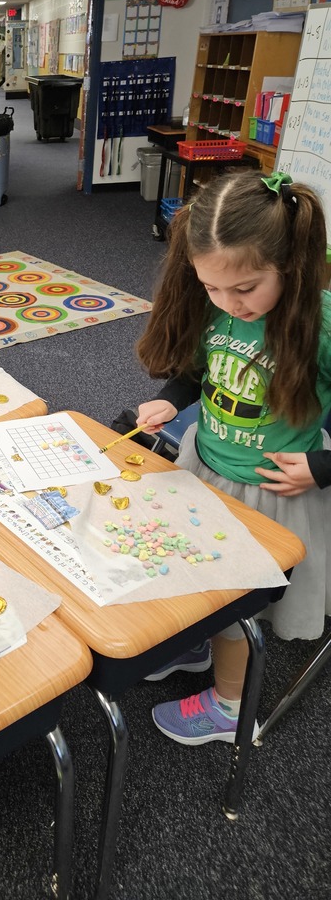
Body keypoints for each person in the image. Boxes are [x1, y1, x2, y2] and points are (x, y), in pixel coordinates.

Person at [135, 170, 331, 746]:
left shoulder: (319, 323)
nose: (227, 303)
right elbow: (197, 371)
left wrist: (322, 468)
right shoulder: (219, 306)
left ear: (289, 264)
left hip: (272, 492)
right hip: (207, 468)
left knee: (240, 601)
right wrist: (170, 401)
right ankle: (197, 646)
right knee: (195, 573)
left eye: (244, 289)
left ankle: (228, 705)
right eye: (211, 288)